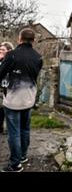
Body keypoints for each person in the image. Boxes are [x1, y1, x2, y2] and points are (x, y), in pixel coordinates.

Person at [0, 28, 43, 172]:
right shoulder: (38, 57)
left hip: (13, 100)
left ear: (19, 39)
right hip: (29, 99)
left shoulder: (11, 55)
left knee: (14, 132)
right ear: (34, 40)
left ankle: (15, 164)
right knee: (25, 129)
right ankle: (23, 156)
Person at [0, 41, 14, 134]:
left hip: (9, 87)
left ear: (9, 51)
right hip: (0, 88)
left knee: (8, 109)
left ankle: (8, 128)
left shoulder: (13, 60)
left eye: (3, 49)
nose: (0, 51)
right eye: (0, 49)